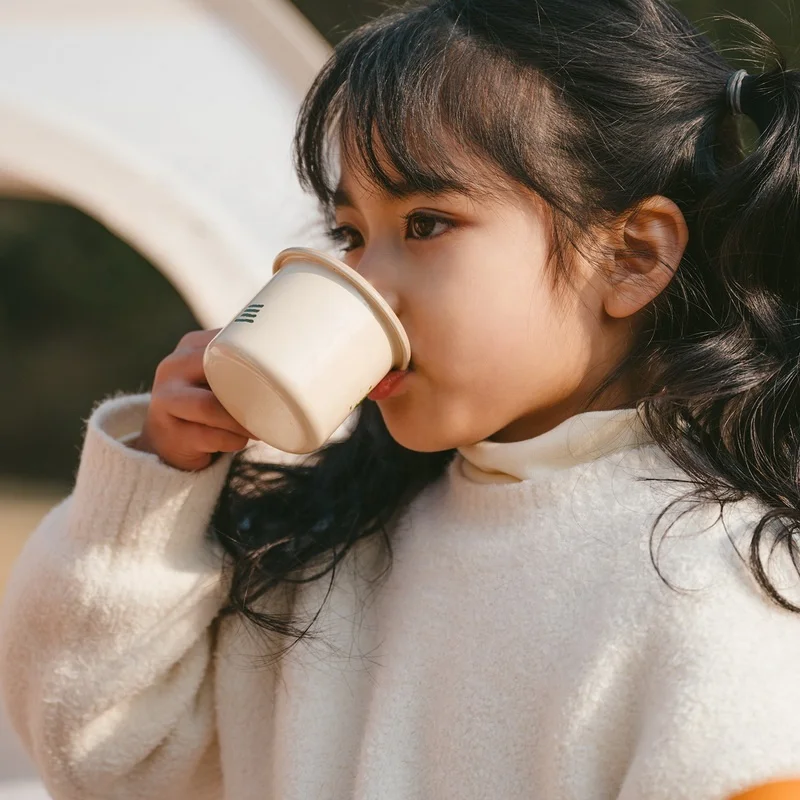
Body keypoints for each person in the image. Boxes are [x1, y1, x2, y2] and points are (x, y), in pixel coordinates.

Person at [2, 0, 800, 798]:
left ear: (631, 256)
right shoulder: (326, 537)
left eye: (425, 223)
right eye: (349, 234)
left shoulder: (720, 581)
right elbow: (99, 759)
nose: (362, 279)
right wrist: (155, 486)